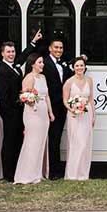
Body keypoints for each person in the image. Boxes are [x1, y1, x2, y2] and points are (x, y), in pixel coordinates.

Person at [0, 37, 39, 182]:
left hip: (18, 110)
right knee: (9, 141)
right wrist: (13, 109)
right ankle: (8, 173)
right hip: (10, 111)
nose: (11, 54)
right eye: (8, 52)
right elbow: (2, 95)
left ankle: (16, 169)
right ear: (2, 53)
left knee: (17, 140)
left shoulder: (14, 65)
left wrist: (33, 42)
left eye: (13, 51)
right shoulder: (2, 69)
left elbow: (23, 56)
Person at [14, 54, 54, 184]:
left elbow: (47, 96)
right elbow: (23, 96)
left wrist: (50, 113)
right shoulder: (29, 78)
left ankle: (37, 172)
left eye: (42, 62)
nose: (42, 64)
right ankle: (27, 174)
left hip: (43, 113)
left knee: (41, 142)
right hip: (33, 113)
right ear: (32, 64)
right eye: (40, 62)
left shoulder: (43, 77)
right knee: (32, 142)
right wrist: (30, 101)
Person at [42, 37, 74, 180]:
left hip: (62, 107)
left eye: (61, 48)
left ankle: (56, 168)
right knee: (53, 139)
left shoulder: (64, 64)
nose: (59, 50)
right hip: (50, 107)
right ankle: (52, 171)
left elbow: (71, 77)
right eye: (56, 47)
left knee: (57, 138)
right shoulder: (45, 63)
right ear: (50, 48)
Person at [63, 56, 95, 181]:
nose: (79, 68)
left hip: (87, 114)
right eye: (77, 66)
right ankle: (72, 174)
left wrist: (94, 115)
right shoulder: (69, 82)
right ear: (73, 67)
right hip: (74, 115)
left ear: (85, 67)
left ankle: (83, 174)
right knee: (76, 143)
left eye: (81, 65)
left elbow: (91, 99)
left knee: (85, 143)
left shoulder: (89, 80)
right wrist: (72, 109)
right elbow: (65, 100)